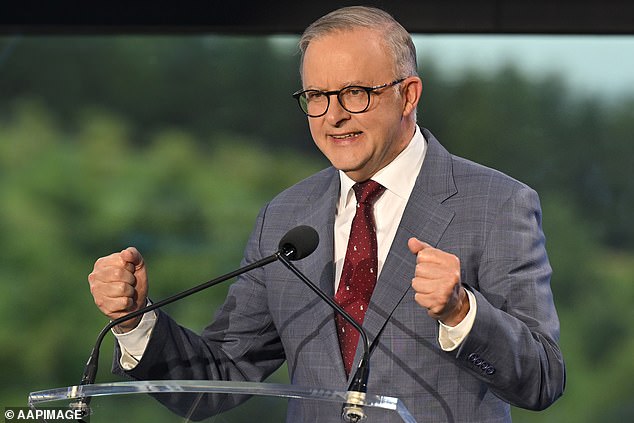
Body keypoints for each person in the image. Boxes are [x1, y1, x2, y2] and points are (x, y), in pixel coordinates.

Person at [88, 6, 565, 422]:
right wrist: (135, 321)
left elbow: (542, 379)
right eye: (316, 96)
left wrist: (463, 312)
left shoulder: (497, 203)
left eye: (355, 92)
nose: (333, 115)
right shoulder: (286, 216)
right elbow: (221, 375)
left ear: (409, 94)